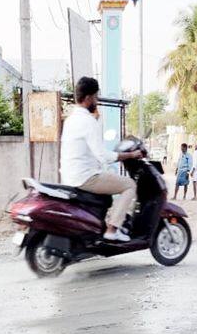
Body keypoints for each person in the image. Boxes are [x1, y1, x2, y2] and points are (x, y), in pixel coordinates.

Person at [60, 76, 143, 242]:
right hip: (86, 177)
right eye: (96, 97)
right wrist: (131, 155)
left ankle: (105, 224)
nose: (96, 101)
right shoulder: (87, 121)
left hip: (70, 176)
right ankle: (112, 229)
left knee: (110, 190)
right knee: (129, 185)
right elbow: (103, 156)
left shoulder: (70, 120)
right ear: (89, 98)